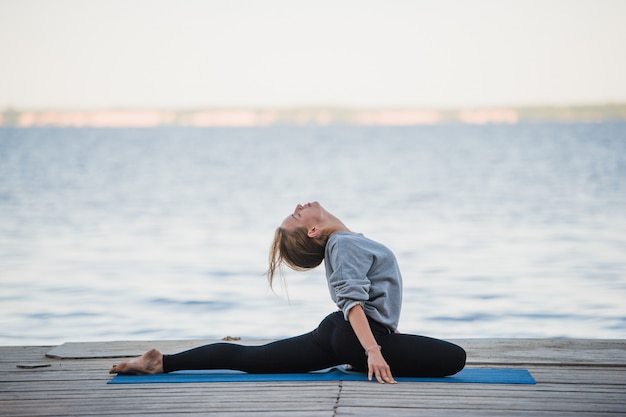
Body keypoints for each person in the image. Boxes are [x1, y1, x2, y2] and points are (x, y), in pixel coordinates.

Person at [109, 202, 466, 383]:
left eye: (293, 213)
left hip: (342, 334)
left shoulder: (346, 243)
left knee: (253, 359)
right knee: (455, 359)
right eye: (296, 216)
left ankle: (163, 363)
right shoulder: (344, 244)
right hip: (353, 336)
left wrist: (382, 338)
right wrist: (372, 351)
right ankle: (359, 359)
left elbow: (369, 300)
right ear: (312, 230)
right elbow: (352, 301)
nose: (298, 208)